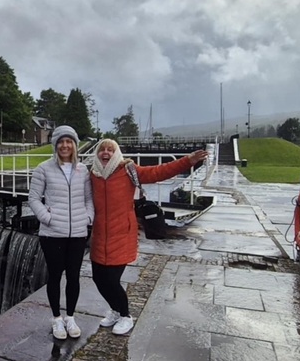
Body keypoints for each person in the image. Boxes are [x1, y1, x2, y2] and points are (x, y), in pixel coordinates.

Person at [89, 140, 208, 335]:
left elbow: (159, 171)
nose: (106, 152)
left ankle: (126, 316)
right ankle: (115, 309)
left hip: (122, 235)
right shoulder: (92, 174)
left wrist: (188, 160)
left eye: (110, 149)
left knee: (112, 281)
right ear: (97, 153)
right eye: (102, 149)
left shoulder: (127, 170)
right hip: (99, 236)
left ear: (116, 153)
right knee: (97, 279)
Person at [28, 125, 94, 340]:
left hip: (77, 233)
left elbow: (88, 199)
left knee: (74, 277)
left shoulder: (82, 170)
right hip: (52, 234)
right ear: (55, 144)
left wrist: (88, 219)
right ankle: (57, 319)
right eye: (61, 141)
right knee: (55, 276)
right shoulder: (43, 168)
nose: (65, 145)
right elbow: (34, 199)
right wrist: (47, 218)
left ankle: (70, 317)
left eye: (69, 141)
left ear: (74, 144)